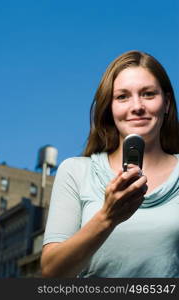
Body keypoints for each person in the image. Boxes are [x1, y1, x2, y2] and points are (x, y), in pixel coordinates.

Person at [41, 50, 179, 278]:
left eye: (148, 94)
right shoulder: (76, 171)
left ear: (166, 102)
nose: (137, 106)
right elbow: (51, 272)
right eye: (122, 97)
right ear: (109, 108)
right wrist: (107, 217)